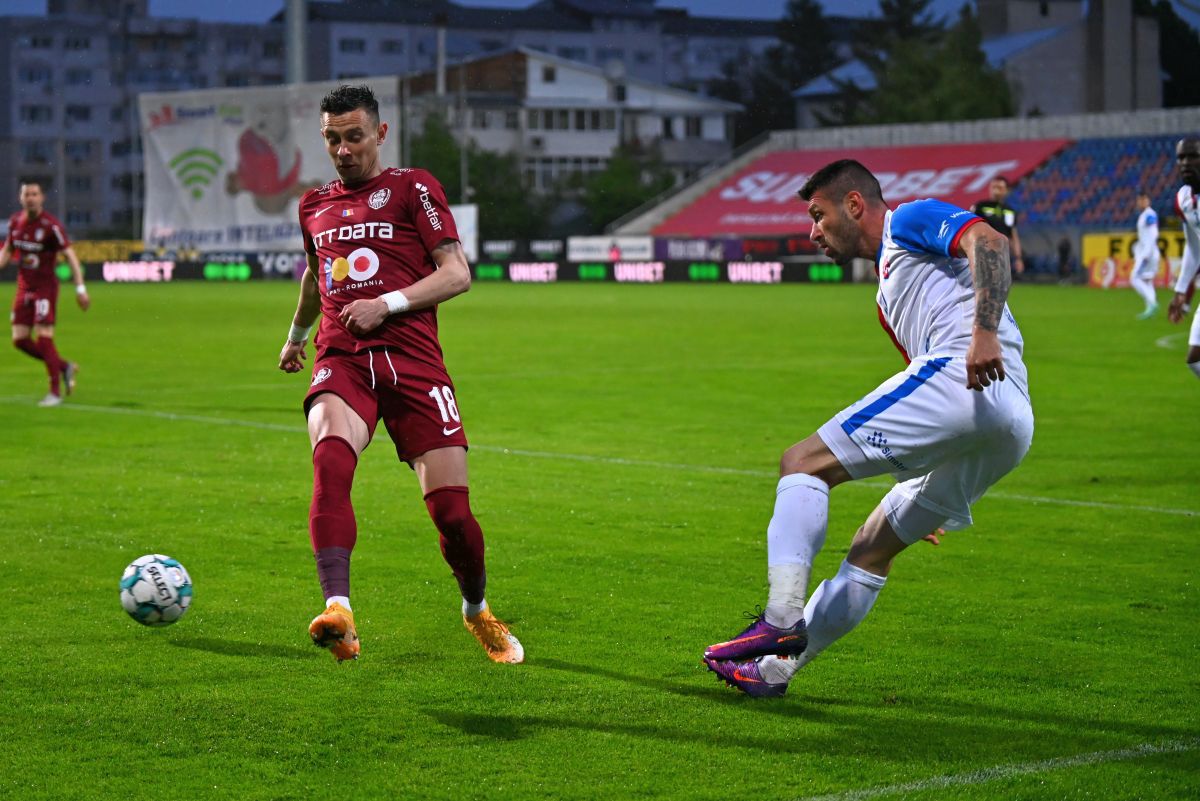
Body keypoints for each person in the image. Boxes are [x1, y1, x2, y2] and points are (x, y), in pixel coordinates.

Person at [703, 159, 1033, 697]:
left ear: (854, 204)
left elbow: (990, 242)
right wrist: (926, 484)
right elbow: (929, 409)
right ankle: (772, 672)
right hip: (1009, 422)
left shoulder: (909, 220)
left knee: (802, 463)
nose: (813, 232)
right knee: (873, 546)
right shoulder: (886, 296)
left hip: (967, 372)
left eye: (818, 215)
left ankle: (781, 618)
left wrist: (983, 332)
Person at [277, 85, 523, 664]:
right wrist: (296, 337)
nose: (343, 149)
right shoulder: (313, 204)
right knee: (330, 463)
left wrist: (385, 305)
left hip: (414, 362)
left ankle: (476, 609)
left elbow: (456, 273)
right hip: (343, 359)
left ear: (380, 133)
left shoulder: (415, 187)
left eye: (354, 136)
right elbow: (316, 276)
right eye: (332, 139)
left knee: (453, 516)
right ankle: (339, 611)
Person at [0, 181, 89, 407]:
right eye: (26, 194)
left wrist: (80, 289)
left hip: (45, 288)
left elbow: (70, 256)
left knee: (44, 336)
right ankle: (64, 367)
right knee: (20, 340)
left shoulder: (51, 226)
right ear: (21, 198)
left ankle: (54, 393)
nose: (30, 198)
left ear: (42, 198)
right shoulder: (15, 222)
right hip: (24, 287)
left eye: (34, 194)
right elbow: (8, 249)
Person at [1168, 136, 1200, 380]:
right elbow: (1194, 248)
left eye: (1192, 156)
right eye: (1181, 157)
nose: (1185, 162)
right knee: (1195, 359)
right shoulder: (1183, 200)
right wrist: (1181, 291)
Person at [971, 175, 1025, 279]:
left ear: (1006, 190)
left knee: (999, 284)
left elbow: (1013, 236)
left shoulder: (1010, 211)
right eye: (993, 187)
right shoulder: (980, 207)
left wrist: (1018, 258)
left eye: (999, 188)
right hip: (982, 253)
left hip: (1002, 254)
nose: (995, 191)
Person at [1129, 191, 1161, 320]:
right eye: (1139, 200)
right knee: (1147, 280)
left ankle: (1152, 303)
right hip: (1149, 252)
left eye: (1143, 200)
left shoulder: (1149, 214)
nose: (1141, 202)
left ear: (1148, 201)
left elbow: (1154, 233)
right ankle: (1150, 310)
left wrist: (1147, 253)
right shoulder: (1144, 215)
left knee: (1134, 278)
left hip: (1148, 253)